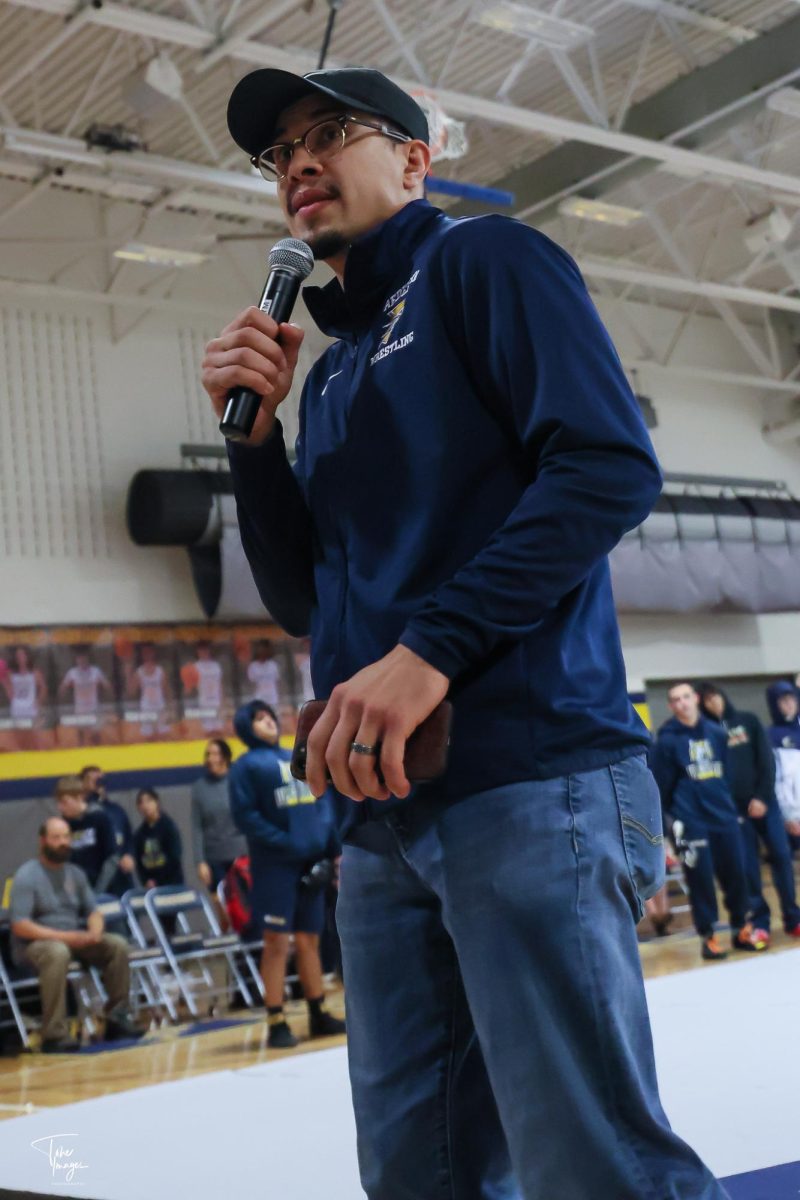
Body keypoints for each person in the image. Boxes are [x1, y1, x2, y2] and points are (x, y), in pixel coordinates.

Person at [202, 65, 725, 1199]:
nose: (297, 162)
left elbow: (605, 467)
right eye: (277, 151)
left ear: (413, 158)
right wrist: (253, 447)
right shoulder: (334, 373)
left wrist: (428, 651)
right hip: (379, 817)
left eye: (327, 132)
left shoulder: (483, 262)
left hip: (522, 775)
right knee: (415, 1172)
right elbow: (304, 599)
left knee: (589, 1164)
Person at [229, 701, 344, 1048]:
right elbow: (246, 816)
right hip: (274, 865)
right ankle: (276, 1018)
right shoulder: (245, 767)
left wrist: (328, 847)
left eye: (269, 716)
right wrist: (286, 842)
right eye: (259, 719)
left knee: (309, 939)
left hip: (311, 862)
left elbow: (322, 799)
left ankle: (317, 1011)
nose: (268, 722)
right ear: (247, 728)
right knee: (277, 942)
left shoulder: (297, 753)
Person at [652, 682, 768, 961]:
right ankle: (709, 936)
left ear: (697, 699)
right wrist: (673, 822)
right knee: (701, 880)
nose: (682, 703)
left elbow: (726, 775)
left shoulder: (717, 733)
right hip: (690, 822)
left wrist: (727, 805)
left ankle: (741, 929)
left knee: (737, 875)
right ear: (670, 706)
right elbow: (661, 786)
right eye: (675, 700)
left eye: (686, 697)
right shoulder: (666, 741)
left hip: (724, 817)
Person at [9, 817, 143, 1052]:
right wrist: (67, 937)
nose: (63, 842)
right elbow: (20, 925)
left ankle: (116, 1018)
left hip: (74, 939)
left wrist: (94, 931)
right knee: (57, 952)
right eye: (57, 837)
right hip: (36, 945)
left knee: (117, 945)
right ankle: (54, 1034)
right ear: (43, 841)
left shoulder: (75, 873)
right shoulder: (27, 875)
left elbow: (93, 911)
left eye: (66, 837)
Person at [699, 682, 800, 940]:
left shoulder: (748, 721)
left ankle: (792, 917)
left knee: (780, 856)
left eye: (715, 696)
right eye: (706, 700)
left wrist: (763, 798)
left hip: (766, 804)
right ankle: (760, 922)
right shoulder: (707, 733)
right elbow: (712, 775)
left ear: (723, 695)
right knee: (747, 868)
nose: (713, 702)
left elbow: (767, 762)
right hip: (735, 812)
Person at [191, 738, 246, 894]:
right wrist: (200, 862)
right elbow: (196, 827)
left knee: (245, 905)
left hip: (241, 854)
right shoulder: (199, 788)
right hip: (214, 859)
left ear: (225, 757)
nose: (211, 759)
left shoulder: (238, 781)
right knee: (221, 905)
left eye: (215, 754)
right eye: (208, 754)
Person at [80, 765, 136, 897]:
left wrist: (129, 854)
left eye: (100, 779)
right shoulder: (84, 813)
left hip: (121, 876)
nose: (97, 782)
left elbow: (128, 837)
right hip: (97, 876)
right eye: (91, 779)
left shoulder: (117, 810)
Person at [55, 776, 118, 892]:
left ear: (79, 798)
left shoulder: (99, 818)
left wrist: (98, 891)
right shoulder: (63, 825)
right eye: (58, 803)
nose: (60, 807)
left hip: (102, 890)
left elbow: (112, 859)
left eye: (64, 802)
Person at [765, 680, 800, 852]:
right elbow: (778, 780)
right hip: (794, 814)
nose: (789, 704)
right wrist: (789, 815)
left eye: (791, 699)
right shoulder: (771, 736)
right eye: (783, 700)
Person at [132, 788, 184, 889]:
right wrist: (145, 881)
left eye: (149, 801)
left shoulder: (169, 827)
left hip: (172, 883)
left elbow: (175, 858)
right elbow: (139, 863)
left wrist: (158, 880)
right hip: (151, 888)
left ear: (157, 802)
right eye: (141, 802)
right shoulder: (139, 834)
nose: (145, 806)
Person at [246, 639, 281, 708]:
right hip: (259, 698)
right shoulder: (253, 666)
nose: (262, 651)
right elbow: (251, 684)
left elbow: (277, 682)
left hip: (272, 699)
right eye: (260, 649)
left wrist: (279, 698)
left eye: (264, 649)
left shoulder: (273, 665)